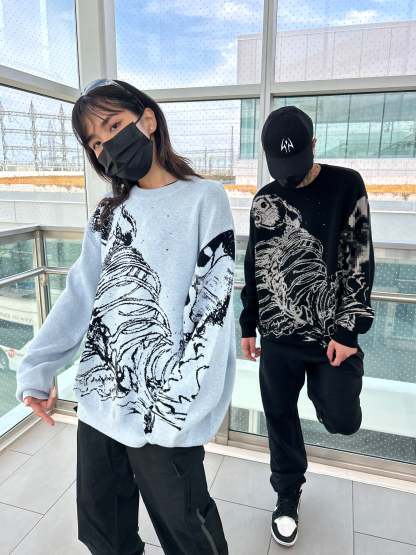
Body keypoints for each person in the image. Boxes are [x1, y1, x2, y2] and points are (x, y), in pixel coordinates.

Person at [16, 79, 236, 555]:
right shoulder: (107, 213)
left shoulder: (205, 198)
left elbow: (212, 310)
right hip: (101, 402)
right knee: (105, 534)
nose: (106, 146)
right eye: (95, 142)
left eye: (114, 127)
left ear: (148, 120)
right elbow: (80, 295)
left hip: (164, 408)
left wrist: (184, 405)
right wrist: (38, 366)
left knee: (187, 532)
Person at [239, 106, 374, 547]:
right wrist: (248, 323)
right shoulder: (263, 200)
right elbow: (254, 267)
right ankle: (287, 497)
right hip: (278, 337)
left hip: (331, 335)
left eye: (295, 162)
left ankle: (328, 386)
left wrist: (348, 332)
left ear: (313, 145)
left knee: (342, 419)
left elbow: (359, 258)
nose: (288, 176)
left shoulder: (346, 186)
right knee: (279, 418)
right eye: (278, 166)